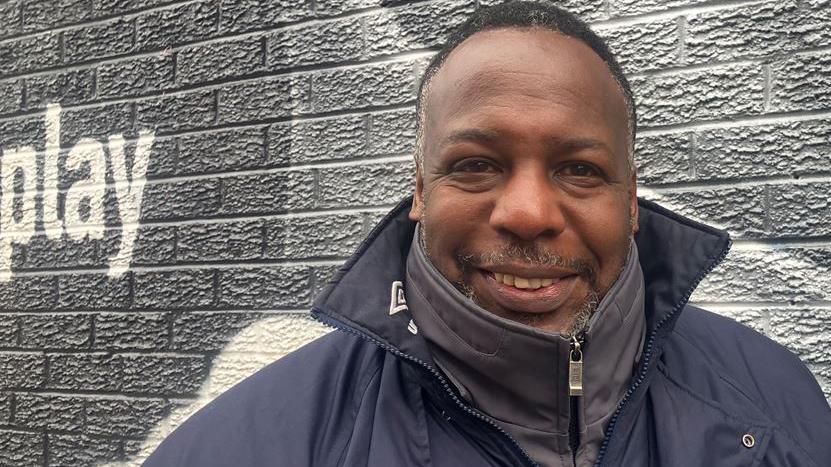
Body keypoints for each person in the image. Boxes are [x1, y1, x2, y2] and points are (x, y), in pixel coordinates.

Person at [143, 2, 831, 466]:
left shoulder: (777, 400)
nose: (528, 211)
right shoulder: (247, 445)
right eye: (476, 165)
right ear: (419, 189)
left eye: (578, 168)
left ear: (629, 198)